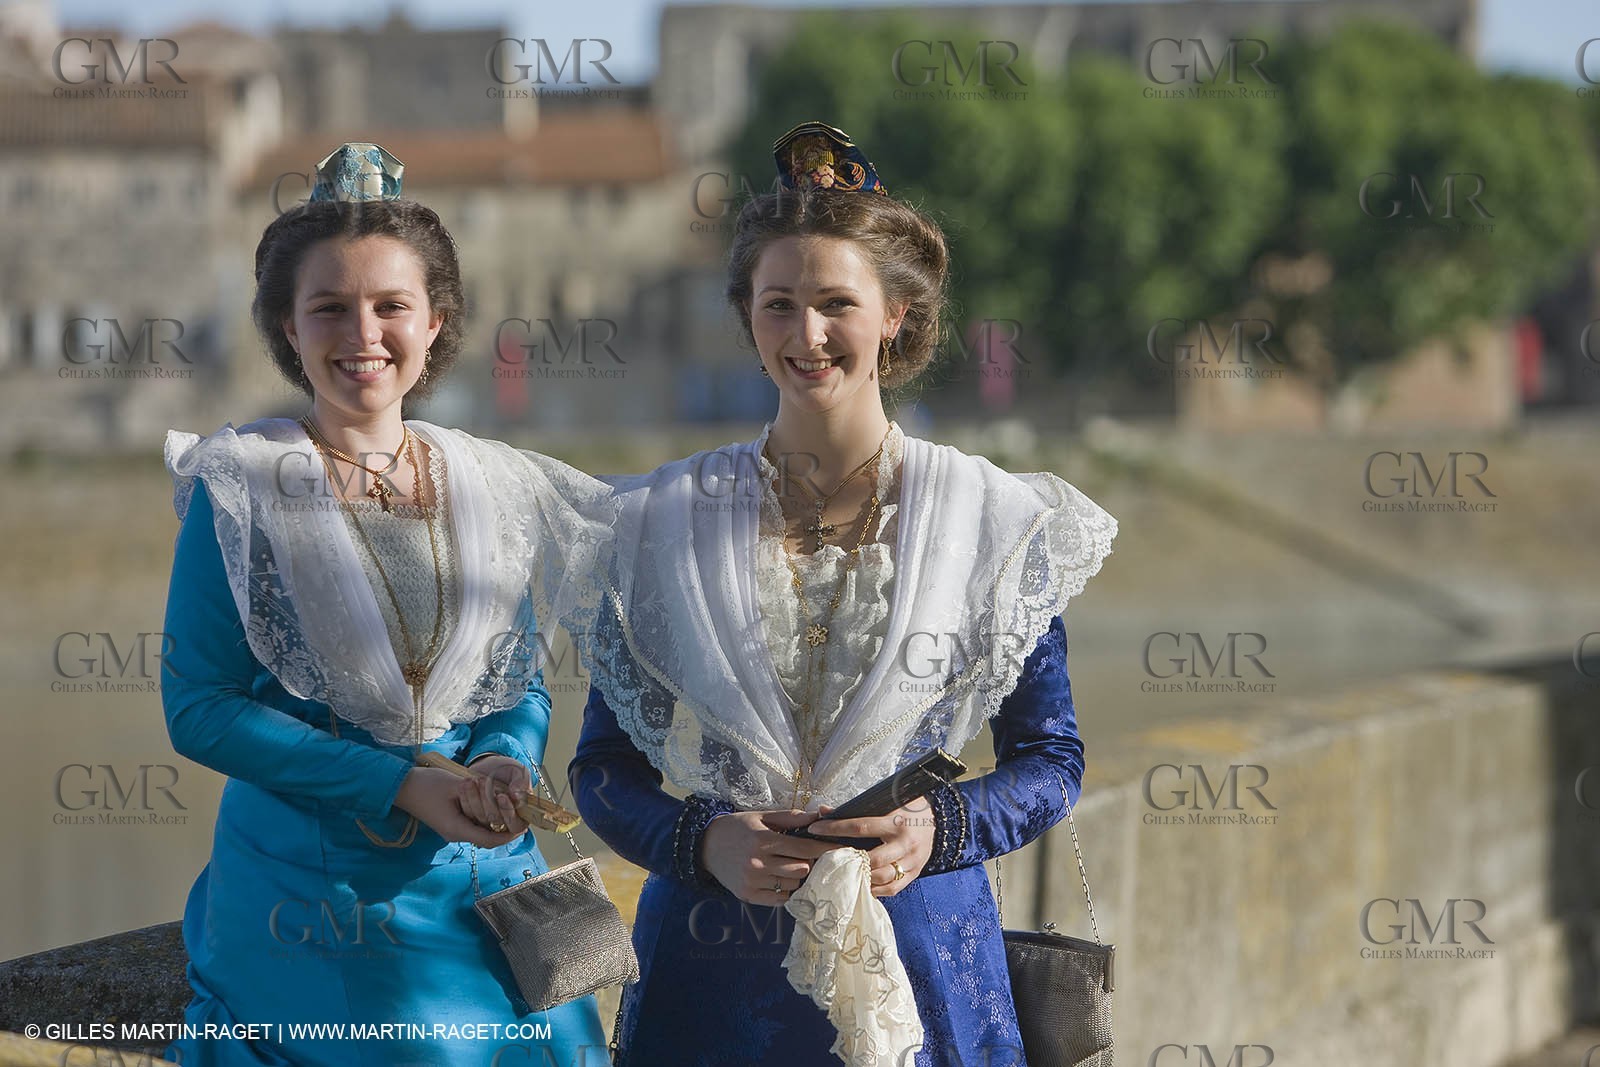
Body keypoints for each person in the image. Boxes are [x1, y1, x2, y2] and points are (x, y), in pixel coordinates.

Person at [568, 122, 1118, 1067]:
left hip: (925, 953)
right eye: (778, 304)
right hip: (714, 966)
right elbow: (603, 772)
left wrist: (939, 826)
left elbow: (1051, 755)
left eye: (836, 303)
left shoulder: (989, 519)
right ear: (747, 315)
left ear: (896, 312)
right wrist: (704, 841)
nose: (807, 335)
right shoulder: (658, 521)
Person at [159, 143, 612, 1066]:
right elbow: (198, 708)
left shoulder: (484, 481)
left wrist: (503, 761)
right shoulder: (241, 486)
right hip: (313, 887)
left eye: (390, 306)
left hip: (486, 876)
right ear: (288, 326)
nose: (361, 332)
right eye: (328, 306)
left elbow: (515, 683)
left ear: (436, 322)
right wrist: (401, 783)